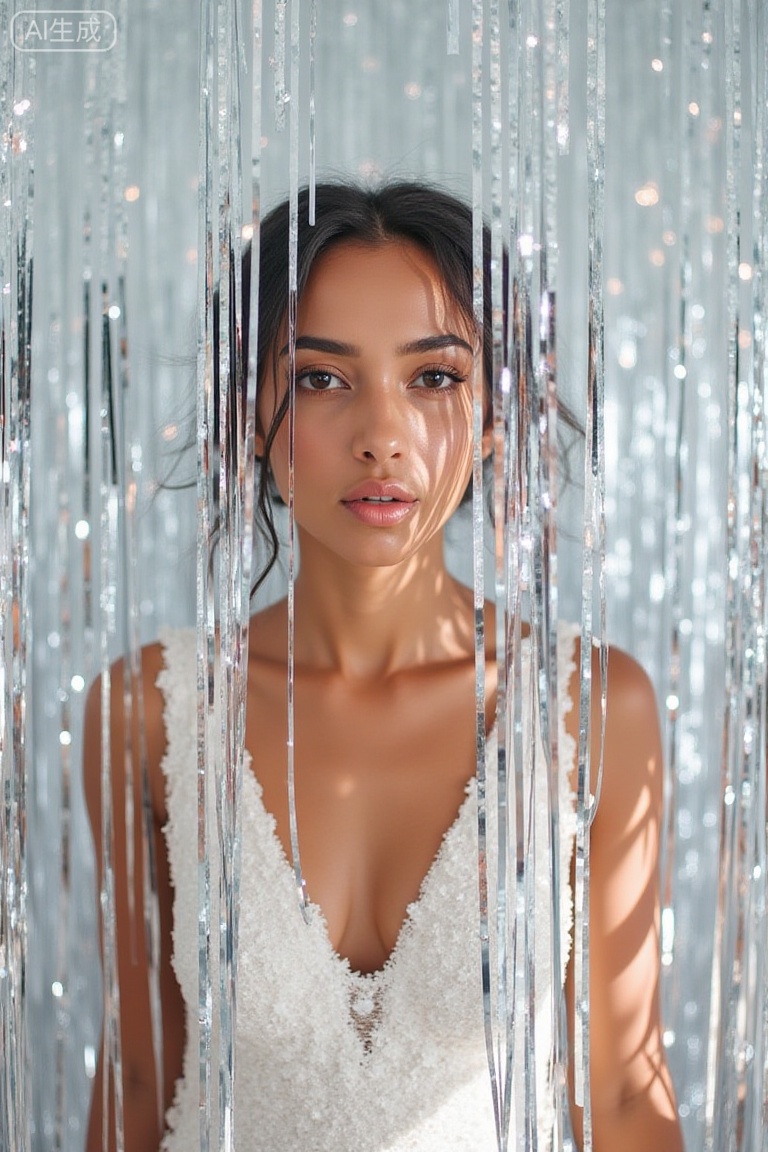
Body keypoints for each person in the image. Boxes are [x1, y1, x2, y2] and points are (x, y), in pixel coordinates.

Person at [85, 182, 683, 1151]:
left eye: (434, 377)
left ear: (496, 414)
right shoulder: (148, 711)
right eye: (322, 378)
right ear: (248, 413)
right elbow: (141, 1079)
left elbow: (620, 1097)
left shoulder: (592, 705)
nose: (381, 436)